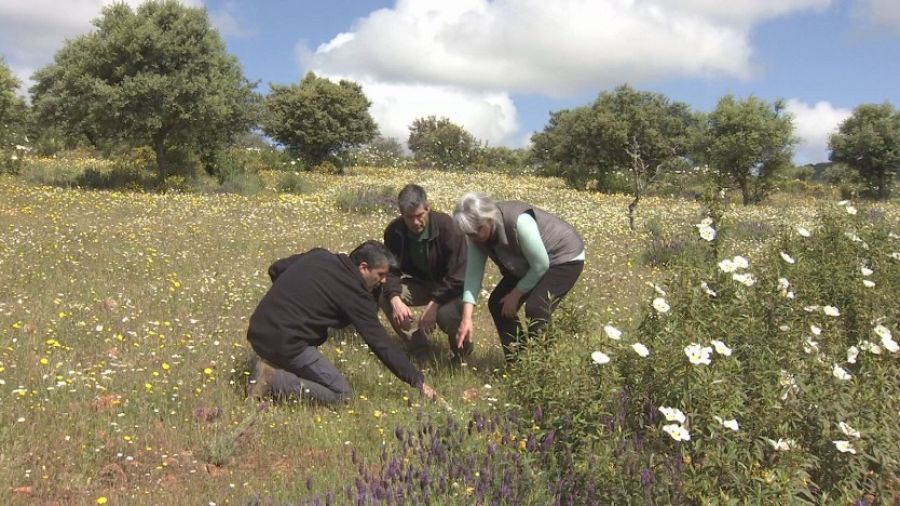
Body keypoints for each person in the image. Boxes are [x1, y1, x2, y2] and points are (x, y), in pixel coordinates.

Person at [246, 240, 437, 404]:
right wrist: (417, 381)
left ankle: (275, 362)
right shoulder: (354, 292)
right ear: (363, 268)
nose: (384, 281)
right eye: (381, 275)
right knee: (341, 395)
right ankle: (272, 379)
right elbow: (380, 342)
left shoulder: (320, 255)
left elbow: (276, 268)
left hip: (258, 330)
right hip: (286, 343)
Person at [452, 193, 585, 360]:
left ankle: (544, 367)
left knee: (537, 308)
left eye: (477, 231)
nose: (475, 238)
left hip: (563, 258)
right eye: (469, 234)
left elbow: (540, 265)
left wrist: (515, 294)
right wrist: (466, 318)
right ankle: (519, 362)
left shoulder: (518, 221)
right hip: (527, 263)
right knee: (497, 304)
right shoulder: (476, 236)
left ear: (488, 219)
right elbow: (473, 276)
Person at [381, 184, 469, 357]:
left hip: (452, 288)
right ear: (401, 214)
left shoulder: (448, 227)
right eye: (409, 217)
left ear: (428, 208)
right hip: (422, 283)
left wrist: (434, 305)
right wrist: (395, 299)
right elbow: (390, 270)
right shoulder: (394, 232)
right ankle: (419, 348)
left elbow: (459, 274)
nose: (415, 222)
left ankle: (462, 354)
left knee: (445, 315)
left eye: (420, 215)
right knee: (386, 296)